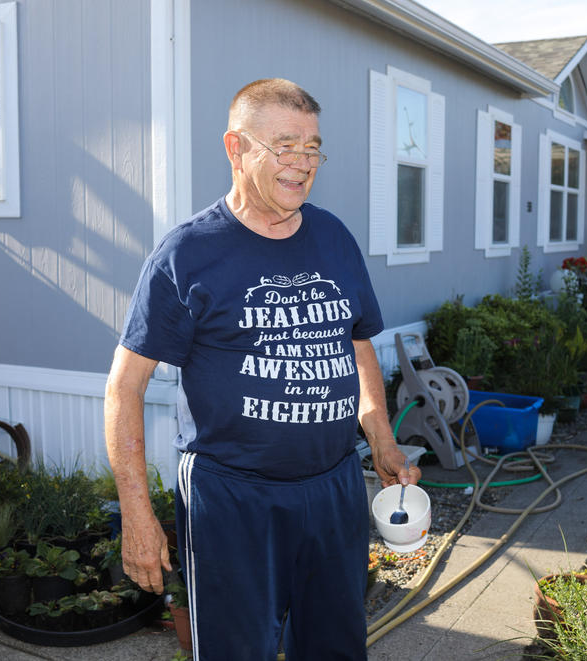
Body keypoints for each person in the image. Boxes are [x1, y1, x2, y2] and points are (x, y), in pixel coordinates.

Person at [104, 78, 419, 660]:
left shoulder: (334, 238)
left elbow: (358, 344)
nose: (302, 164)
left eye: (312, 147)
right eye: (284, 146)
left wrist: (382, 439)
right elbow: (125, 387)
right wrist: (137, 514)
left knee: (335, 646)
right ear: (236, 148)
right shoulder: (186, 254)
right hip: (232, 495)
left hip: (332, 486)